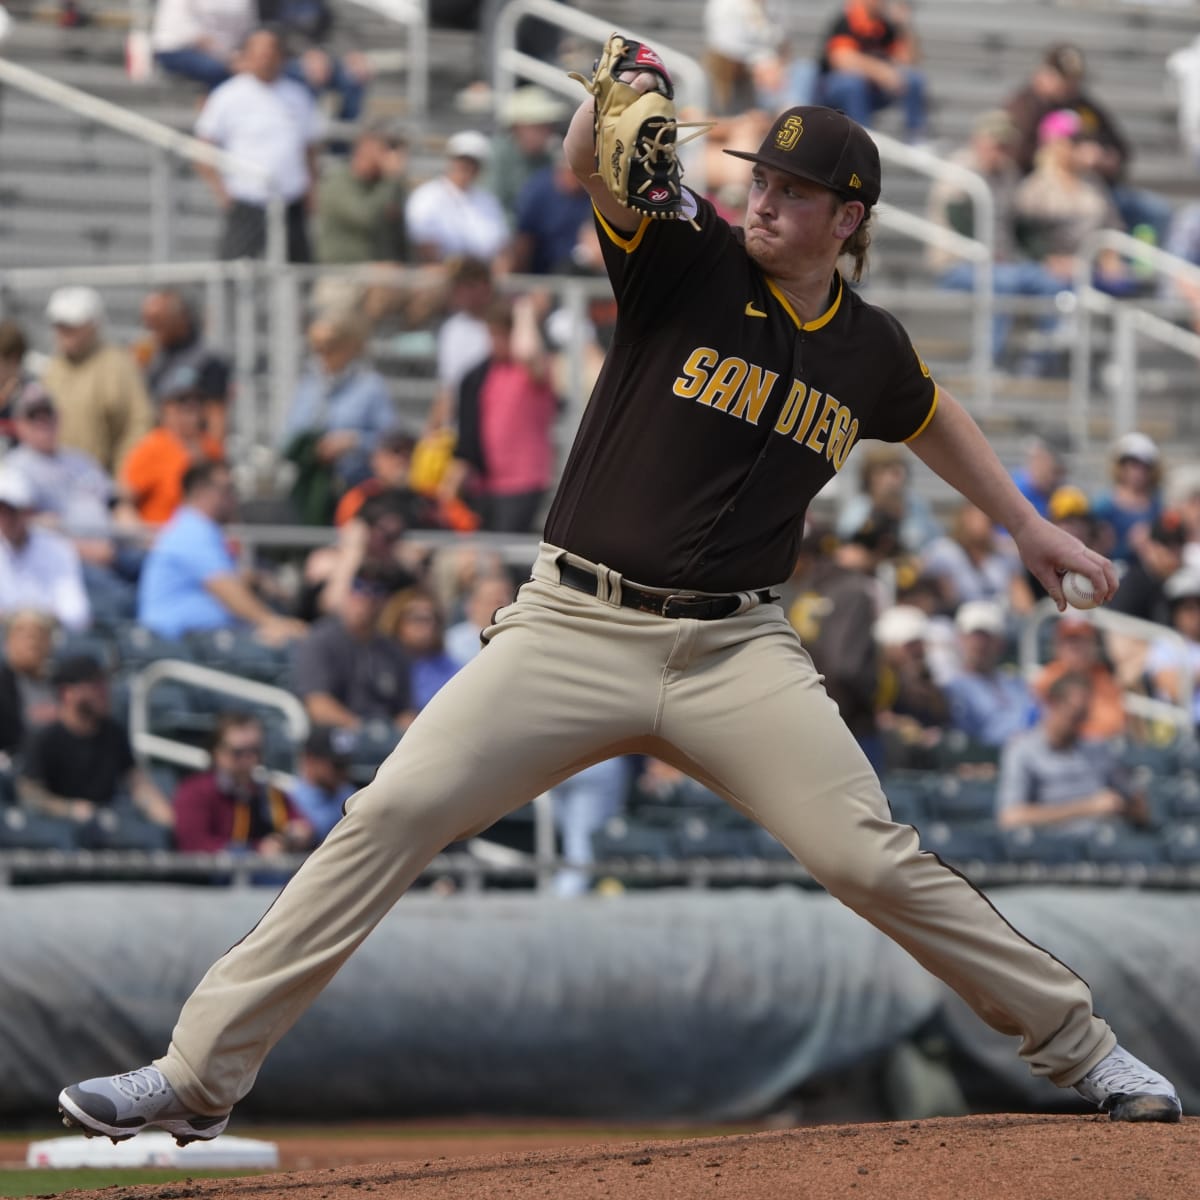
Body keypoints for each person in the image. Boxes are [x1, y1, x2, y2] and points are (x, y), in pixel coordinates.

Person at [56, 70, 1179, 1143]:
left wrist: (1025, 524)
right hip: (574, 627)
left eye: (791, 191)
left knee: (872, 862)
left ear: (850, 217)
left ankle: (1084, 1051)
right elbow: (591, 170)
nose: (762, 199)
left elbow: (929, 413)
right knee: (391, 814)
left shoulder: (868, 347)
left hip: (736, 648)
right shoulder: (689, 260)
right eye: (758, 178)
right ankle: (197, 1078)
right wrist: (603, 105)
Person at [927, 110, 1073, 370]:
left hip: (1002, 262)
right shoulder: (960, 169)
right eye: (996, 143)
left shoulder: (1008, 172)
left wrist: (1044, 257)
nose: (1001, 150)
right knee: (1001, 283)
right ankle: (988, 363)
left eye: (1006, 145)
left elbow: (1020, 226)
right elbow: (958, 218)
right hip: (957, 263)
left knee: (1051, 281)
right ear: (979, 141)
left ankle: (1050, 357)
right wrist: (988, 254)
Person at [1005, 43, 1173, 245]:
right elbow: (1015, 155)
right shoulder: (1023, 106)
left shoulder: (1083, 105)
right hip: (1046, 189)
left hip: (1092, 186)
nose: (1071, 85)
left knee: (1154, 211)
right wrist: (1070, 158)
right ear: (1045, 74)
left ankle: (1133, 271)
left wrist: (1106, 159)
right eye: (1065, 78)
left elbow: (1120, 148)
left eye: (1075, 79)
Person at [137, 461, 306, 645]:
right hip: (181, 644)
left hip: (204, 642)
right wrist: (273, 622)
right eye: (227, 489)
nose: (233, 498)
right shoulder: (192, 531)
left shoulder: (201, 530)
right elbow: (227, 590)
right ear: (201, 491)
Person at [194, 26, 322, 262]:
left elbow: (309, 149)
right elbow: (204, 147)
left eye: (270, 53)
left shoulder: (298, 96)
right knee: (234, 268)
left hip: (290, 199)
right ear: (247, 56)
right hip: (247, 199)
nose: (265, 59)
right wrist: (223, 194)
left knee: (299, 271)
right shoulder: (228, 95)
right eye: (259, 53)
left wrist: (311, 189)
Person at [18, 654, 174, 846]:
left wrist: (168, 818)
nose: (104, 690)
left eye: (104, 683)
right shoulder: (45, 737)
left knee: (151, 836)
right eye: (94, 684)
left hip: (104, 824)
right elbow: (30, 795)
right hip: (59, 829)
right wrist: (70, 809)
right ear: (68, 692)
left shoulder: (113, 732)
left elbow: (138, 784)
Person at [447, 294, 559, 533]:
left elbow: (528, 352)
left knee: (506, 549)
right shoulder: (488, 371)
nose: (494, 342)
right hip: (488, 481)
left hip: (524, 478)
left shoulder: (532, 370)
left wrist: (523, 312)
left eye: (500, 335)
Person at [996, 671, 1142, 836]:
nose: (1079, 721)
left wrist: (1121, 807)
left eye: (1083, 715)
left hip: (1104, 847)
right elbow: (1010, 817)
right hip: (1051, 851)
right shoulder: (1021, 750)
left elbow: (1138, 804)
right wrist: (1087, 807)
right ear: (1052, 704)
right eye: (1074, 713)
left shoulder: (1099, 748)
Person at [281, 310, 397, 508]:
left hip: (358, 487)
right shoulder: (310, 385)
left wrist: (354, 441)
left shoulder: (370, 386)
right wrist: (313, 447)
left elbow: (391, 439)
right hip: (314, 491)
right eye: (318, 347)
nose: (324, 354)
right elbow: (289, 435)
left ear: (350, 346)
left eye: (331, 346)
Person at [41, 287, 155, 475]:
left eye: (71, 326)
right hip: (55, 480)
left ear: (93, 325)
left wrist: (124, 479)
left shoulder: (117, 365)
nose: (63, 332)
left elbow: (138, 425)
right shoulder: (53, 368)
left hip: (102, 481)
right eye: (59, 325)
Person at [291, 564, 414, 732]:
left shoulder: (393, 650)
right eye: (358, 586)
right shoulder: (320, 640)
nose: (366, 596)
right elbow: (318, 706)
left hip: (386, 737)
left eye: (377, 590)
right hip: (336, 742)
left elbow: (405, 710)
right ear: (346, 592)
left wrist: (401, 733)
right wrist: (365, 732)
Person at [173, 712, 314, 855]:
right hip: (220, 874)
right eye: (238, 753)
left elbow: (300, 824)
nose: (250, 759)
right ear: (217, 752)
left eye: (255, 751)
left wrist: (295, 834)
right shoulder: (195, 792)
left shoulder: (270, 793)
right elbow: (194, 845)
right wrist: (256, 850)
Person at [121, 364, 226, 527]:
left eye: (196, 402)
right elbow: (124, 503)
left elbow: (225, 502)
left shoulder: (211, 448)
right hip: (162, 540)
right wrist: (148, 538)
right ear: (165, 408)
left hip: (203, 538)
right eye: (182, 402)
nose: (190, 409)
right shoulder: (152, 446)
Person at [813, 0, 927, 142]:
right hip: (834, 89)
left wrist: (903, 26)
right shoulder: (847, 21)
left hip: (871, 90)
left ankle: (916, 137)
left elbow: (908, 60)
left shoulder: (884, 26)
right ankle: (862, 139)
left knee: (912, 79)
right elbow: (841, 60)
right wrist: (880, 71)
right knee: (852, 84)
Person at [0, 467, 90, 633]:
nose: (5, 519)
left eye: (11, 511)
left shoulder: (57, 549)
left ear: (27, 512)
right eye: (1, 511)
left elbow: (77, 613)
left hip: (49, 640)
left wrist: (37, 621)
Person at [137, 289, 232, 445]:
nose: (150, 329)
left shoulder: (207, 361)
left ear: (179, 318)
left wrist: (211, 459)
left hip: (190, 454)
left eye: (157, 320)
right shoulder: (153, 357)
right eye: (147, 321)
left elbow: (217, 419)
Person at [404, 131, 510, 265]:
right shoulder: (426, 196)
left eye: (473, 162)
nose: (467, 167)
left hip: (480, 280)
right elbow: (425, 247)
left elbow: (502, 249)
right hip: (439, 278)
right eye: (462, 160)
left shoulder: (489, 201)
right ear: (451, 161)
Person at [943, 599, 1037, 749]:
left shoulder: (1016, 682)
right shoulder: (954, 689)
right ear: (960, 640)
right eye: (973, 636)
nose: (979, 644)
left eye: (987, 637)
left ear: (1000, 643)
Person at [315, 118, 410, 265]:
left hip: (383, 274)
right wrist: (391, 180)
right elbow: (365, 218)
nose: (392, 155)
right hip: (342, 274)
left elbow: (402, 233)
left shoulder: (387, 185)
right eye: (387, 146)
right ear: (365, 145)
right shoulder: (339, 181)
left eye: (395, 147)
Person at [1032, 617, 1126, 742]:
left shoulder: (1103, 678)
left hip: (1089, 747)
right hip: (1050, 745)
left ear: (1093, 644)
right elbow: (1034, 717)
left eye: (1081, 641)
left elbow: (1112, 723)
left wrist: (1073, 731)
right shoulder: (1048, 677)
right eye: (1069, 641)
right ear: (1058, 646)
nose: (1074, 647)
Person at [489, 85, 571, 224]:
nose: (547, 132)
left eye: (548, 126)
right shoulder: (496, 155)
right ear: (517, 127)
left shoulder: (548, 159)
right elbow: (491, 208)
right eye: (538, 126)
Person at [378, 586, 458, 712]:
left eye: (432, 618)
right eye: (418, 618)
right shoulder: (379, 660)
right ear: (397, 621)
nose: (426, 625)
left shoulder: (450, 668)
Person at [1091, 431, 1163, 568]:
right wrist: (1129, 544)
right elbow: (1095, 547)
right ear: (1121, 466)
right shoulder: (1103, 505)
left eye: (1145, 467)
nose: (1138, 472)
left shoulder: (1156, 505)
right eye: (1133, 464)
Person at [151, 0, 256, 89]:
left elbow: (246, 30)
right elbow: (190, 33)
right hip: (178, 48)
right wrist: (228, 58)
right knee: (218, 71)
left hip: (225, 53)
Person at [1144, 567, 1200, 729]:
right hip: (1185, 733)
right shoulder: (1165, 645)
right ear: (1174, 612)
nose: (1196, 613)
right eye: (1188, 607)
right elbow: (1174, 689)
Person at [0, 609, 59, 756]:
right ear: (7, 642)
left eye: (40, 634)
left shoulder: (62, 684)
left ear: (50, 643)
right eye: (22, 633)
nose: (32, 641)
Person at [288, 724, 356, 843]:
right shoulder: (289, 797)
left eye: (346, 765)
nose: (343, 772)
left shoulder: (351, 794)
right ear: (310, 759)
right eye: (337, 766)